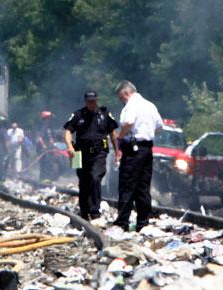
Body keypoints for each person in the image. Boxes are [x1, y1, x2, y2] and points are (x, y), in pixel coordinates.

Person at [113, 80, 163, 232]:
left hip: (133, 150)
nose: (122, 101)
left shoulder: (132, 105)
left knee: (127, 185)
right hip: (147, 149)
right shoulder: (150, 105)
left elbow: (128, 122)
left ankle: (122, 222)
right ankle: (143, 223)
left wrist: (120, 138)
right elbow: (160, 126)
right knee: (143, 186)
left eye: (121, 98)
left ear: (126, 93)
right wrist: (146, 136)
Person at [64, 90, 119, 220]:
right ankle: (84, 210)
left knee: (95, 178)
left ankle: (94, 211)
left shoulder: (104, 114)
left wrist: (117, 151)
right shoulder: (78, 115)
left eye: (93, 101)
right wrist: (70, 146)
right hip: (81, 154)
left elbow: (113, 134)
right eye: (89, 101)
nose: (91, 104)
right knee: (84, 182)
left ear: (97, 100)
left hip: (99, 153)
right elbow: (67, 132)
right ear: (85, 101)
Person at [37, 110, 57, 184]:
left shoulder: (49, 127)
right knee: (45, 162)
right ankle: (45, 178)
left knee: (49, 162)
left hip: (48, 147)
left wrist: (52, 142)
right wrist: (44, 146)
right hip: (43, 148)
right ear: (46, 119)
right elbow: (40, 138)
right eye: (49, 118)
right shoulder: (44, 126)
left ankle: (46, 178)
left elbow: (50, 137)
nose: (51, 120)